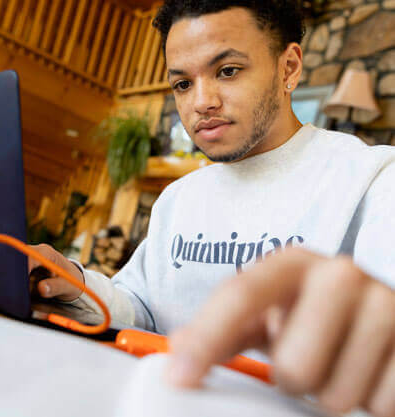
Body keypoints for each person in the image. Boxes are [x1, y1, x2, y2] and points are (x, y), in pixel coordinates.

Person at [28, 1, 395, 415]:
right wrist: (70, 281)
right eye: (183, 83)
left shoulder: (375, 179)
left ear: (289, 67)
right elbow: (142, 309)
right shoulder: (178, 197)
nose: (201, 101)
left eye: (227, 71)